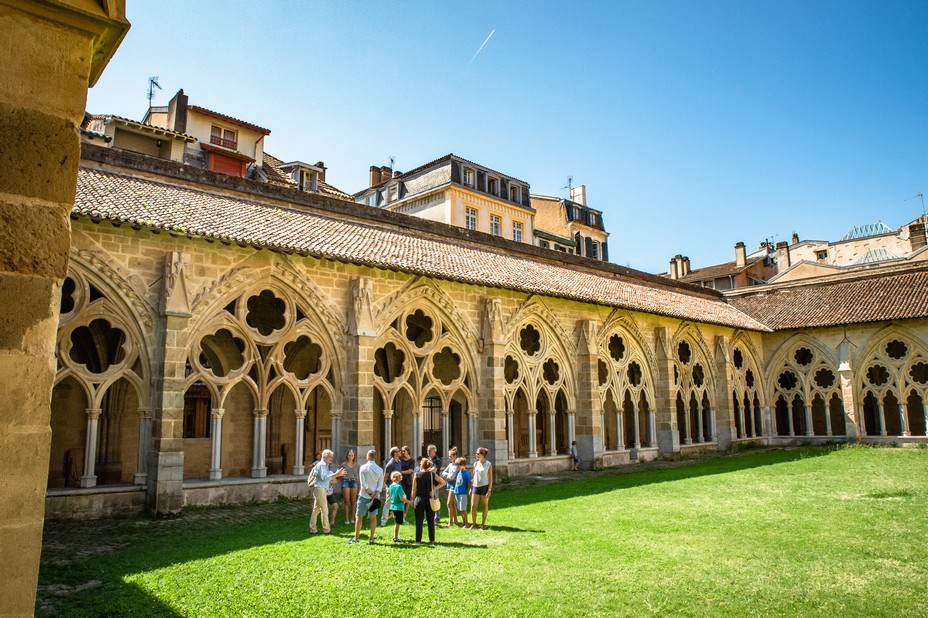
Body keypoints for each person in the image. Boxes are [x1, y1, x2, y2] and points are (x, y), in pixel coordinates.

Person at [349, 449, 383, 545]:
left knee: (359, 517)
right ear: (375, 457)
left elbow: (363, 484)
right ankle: (371, 538)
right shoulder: (380, 469)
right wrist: (375, 494)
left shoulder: (363, 467)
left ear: (368, 457)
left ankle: (356, 537)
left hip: (364, 495)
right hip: (375, 497)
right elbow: (380, 485)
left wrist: (370, 493)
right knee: (373, 517)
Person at [410, 458, 446, 543]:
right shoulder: (432, 474)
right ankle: (432, 539)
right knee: (430, 520)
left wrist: (412, 499)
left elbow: (414, 489)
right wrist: (434, 489)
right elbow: (443, 482)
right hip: (429, 499)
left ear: (421, 465)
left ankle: (418, 540)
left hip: (419, 499)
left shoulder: (416, 474)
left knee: (419, 521)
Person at [309, 449, 345, 534]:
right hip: (319, 488)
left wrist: (336, 474)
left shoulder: (323, 465)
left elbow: (325, 478)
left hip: (320, 488)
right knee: (324, 510)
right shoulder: (322, 465)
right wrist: (337, 474)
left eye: (331, 457)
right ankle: (327, 530)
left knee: (316, 509)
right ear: (324, 457)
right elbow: (324, 478)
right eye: (329, 457)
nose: (331, 459)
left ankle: (313, 529)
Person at [469, 447, 493, 530]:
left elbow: (490, 478)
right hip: (475, 486)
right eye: (476, 453)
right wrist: (471, 488)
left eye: (478, 453)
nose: (476, 455)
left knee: (484, 505)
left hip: (484, 486)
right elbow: (473, 476)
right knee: (473, 506)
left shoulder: (488, 464)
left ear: (483, 455)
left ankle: (483, 524)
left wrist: (489, 490)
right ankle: (474, 524)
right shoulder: (475, 464)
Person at [388, 470, 412, 543]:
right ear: (399, 478)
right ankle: (395, 537)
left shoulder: (391, 486)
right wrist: (409, 501)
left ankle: (396, 536)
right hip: (399, 507)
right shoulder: (399, 487)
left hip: (392, 506)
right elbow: (401, 498)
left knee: (396, 522)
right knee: (397, 523)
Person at [381, 447, 402, 527]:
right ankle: (384, 520)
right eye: (399, 451)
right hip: (391, 486)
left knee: (398, 502)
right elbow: (386, 476)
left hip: (398, 486)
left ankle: (398, 518)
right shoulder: (390, 464)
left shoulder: (399, 462)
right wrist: (386, 486)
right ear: (395, 453)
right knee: (388, 502)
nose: (400, 452)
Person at [441, 446, 460, 527]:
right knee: (452, 503)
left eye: (450, 456)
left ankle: (450, 522)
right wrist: (448, 475)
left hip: (454, 484)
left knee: (449, 503)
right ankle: (455, 520)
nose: (449, 457)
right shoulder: (450, 465)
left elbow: (451, 477)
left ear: (455, 456)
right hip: (449, 484)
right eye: (449, 456)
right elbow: (443, 473)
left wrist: (447, 475)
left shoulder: (456, 466)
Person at [341, 449, 359, 525]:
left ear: (354, 456)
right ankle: (346, 519)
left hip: (354, 481)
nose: (351, 456)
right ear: (347, 456)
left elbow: (358, 475)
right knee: (346, 501)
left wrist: (360, 485)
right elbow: (340, 474)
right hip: (346, 481)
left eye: (352, 455)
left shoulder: (357, 464)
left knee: (353, 501)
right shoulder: (343, 464)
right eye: (349, 455)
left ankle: (352, 518)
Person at [452, 457, 471, 528]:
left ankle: (466, 523)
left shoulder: (466, 474)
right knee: (460, 509)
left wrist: (469, 489)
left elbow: (468, 483)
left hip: (463, 493)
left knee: (463, 509)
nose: (457, 467)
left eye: (458, 466)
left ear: (463, 465)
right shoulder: (459, 472)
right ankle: (463, 522)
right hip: (457, 492)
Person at [427, 444, 443, 524]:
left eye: (430, 450)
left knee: (435, 499)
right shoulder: (428, 459)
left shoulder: (437, 459)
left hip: (435, 482)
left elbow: (434, 470)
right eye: (427, 450)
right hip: (428, 482)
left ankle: (437, 517)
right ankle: (430, 516)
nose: (428, 451)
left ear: (434, 451)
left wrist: (427, 470)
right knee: (429, 499)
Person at [399, 445, 415, 520]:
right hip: (401, 480)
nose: (402, 452)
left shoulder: (412, 460)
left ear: (408, 451)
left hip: (408, 481)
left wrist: (400, 472)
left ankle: (404, 515)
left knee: (408, 497)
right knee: (402, 497)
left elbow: (410, 471)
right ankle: (401, 514)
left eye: (404, 451)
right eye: (401, 451)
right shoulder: (400, 460)